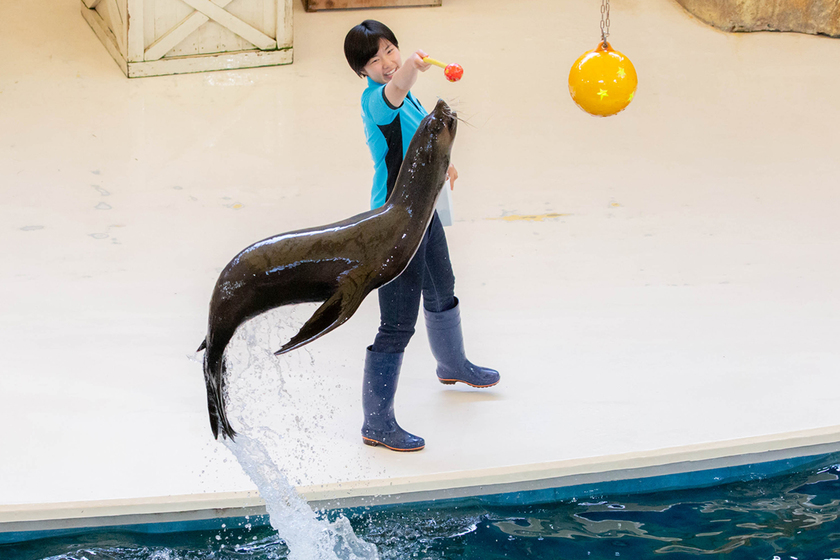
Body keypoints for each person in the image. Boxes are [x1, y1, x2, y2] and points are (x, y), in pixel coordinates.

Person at [343, 20, 500, 452]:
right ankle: (376, 423)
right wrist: (410, 65)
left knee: (443, 288)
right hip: (393, 225)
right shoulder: (378, 100)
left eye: (390, 51)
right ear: (363, 72)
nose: (386, 63)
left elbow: (421, 140)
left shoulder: (408, 98)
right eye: (374, 61)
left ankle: (452, 364)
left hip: (422, 211)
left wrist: (442, 166)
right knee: (396, 323)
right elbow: (395, 92)